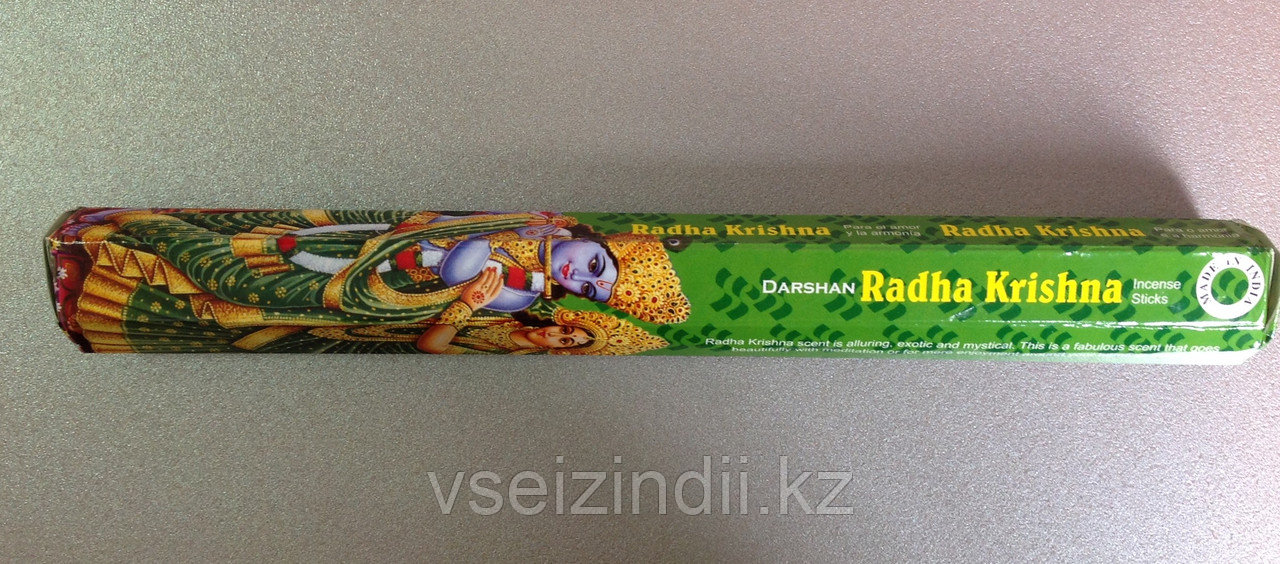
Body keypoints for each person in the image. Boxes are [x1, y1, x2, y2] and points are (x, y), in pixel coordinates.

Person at [67, 208, 688, 352]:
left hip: (364, 301)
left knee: (232, 291)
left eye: (591, 291)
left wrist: (467, 299)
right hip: (359, 252)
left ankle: (108, 259)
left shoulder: (523, 298)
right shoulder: (519, 222)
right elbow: (426, 229)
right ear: (589, 236)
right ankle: (121, 228)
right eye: (596, 265)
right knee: (230, 264)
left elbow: (449, 304)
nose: (580, 277)